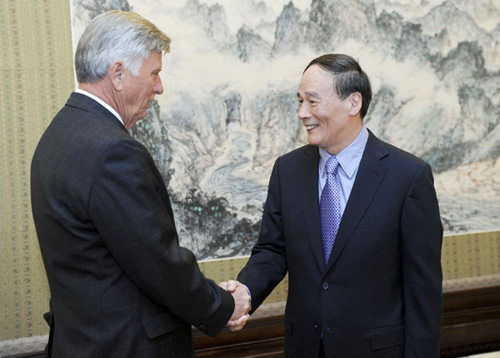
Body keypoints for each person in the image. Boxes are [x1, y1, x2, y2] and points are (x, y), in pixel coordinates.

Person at [31, 11, 249, 358]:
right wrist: (224, 306)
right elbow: (158, 264)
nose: (159, 88)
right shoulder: (113, 151)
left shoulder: (58, 134)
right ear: (118, 74)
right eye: (155, 73)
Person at [222, 54, 443, 357]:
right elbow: (273, 250)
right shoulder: (288, 171)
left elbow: (423, 292)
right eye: (299, 101)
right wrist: (244, 293)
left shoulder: (407, 177)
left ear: (353, 103)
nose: (302, 113)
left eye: (312, 102)